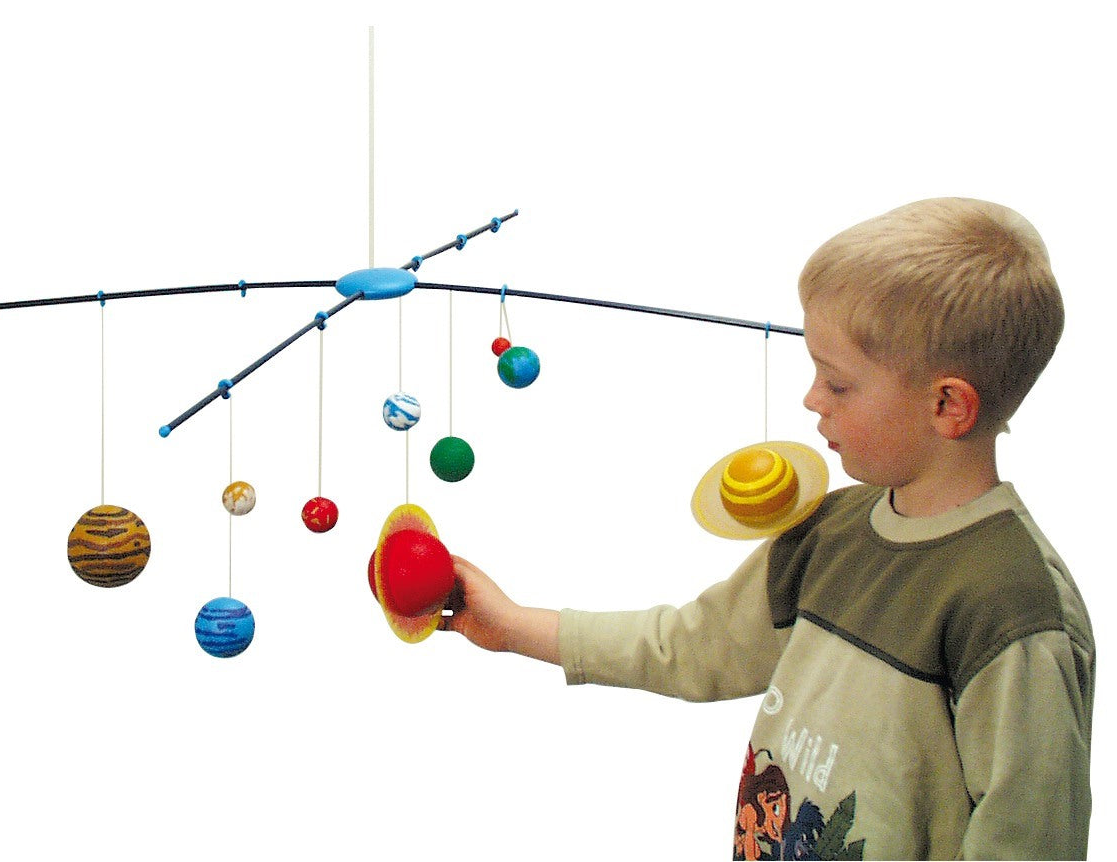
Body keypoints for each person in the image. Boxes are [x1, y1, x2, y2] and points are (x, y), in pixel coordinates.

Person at [439, 198, 1094, 860]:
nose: (812, 399)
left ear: (947, 404)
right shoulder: (830, 532)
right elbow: (692, 645)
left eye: (838, 384)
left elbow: (1030, 841)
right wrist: (513, 626)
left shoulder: (1013, 608)